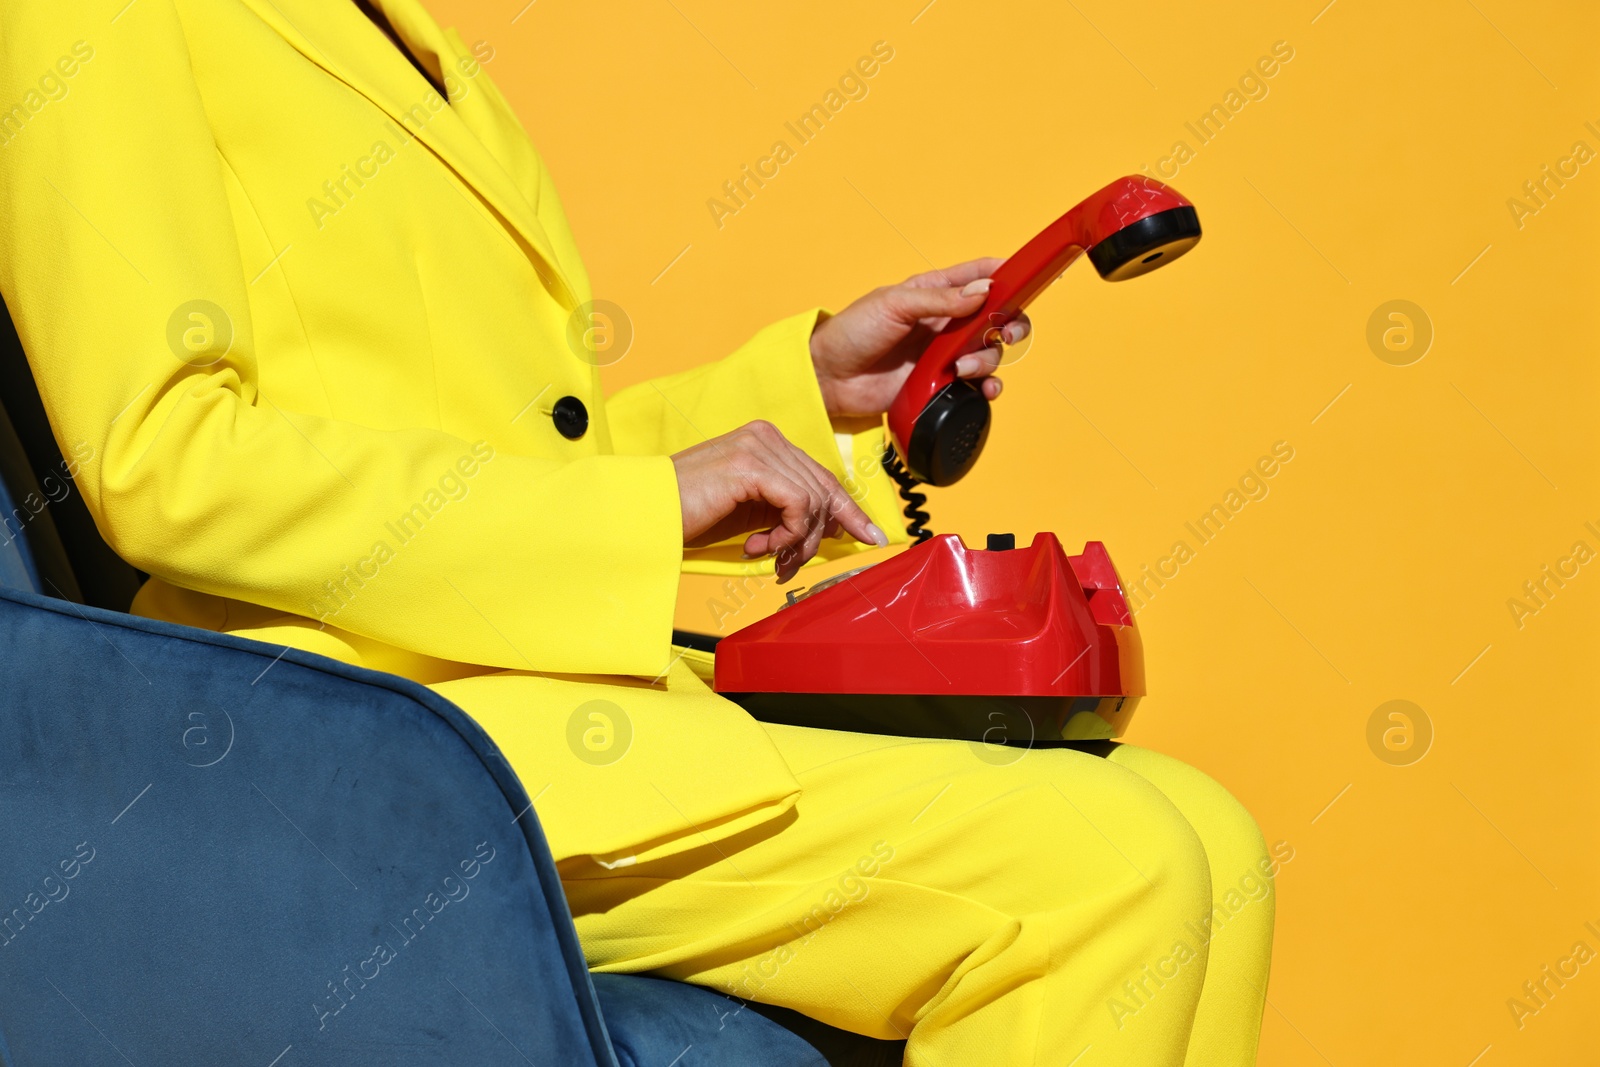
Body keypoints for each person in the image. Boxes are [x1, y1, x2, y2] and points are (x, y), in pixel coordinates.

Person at [0, 1, 1274, 1061]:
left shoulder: (393, 27)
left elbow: (503, 451)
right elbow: (162, 458)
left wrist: (803, 393)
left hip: (535, 692)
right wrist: (645, 505)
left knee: (1212, 841)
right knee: (1112, 870)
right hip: (364, 731)